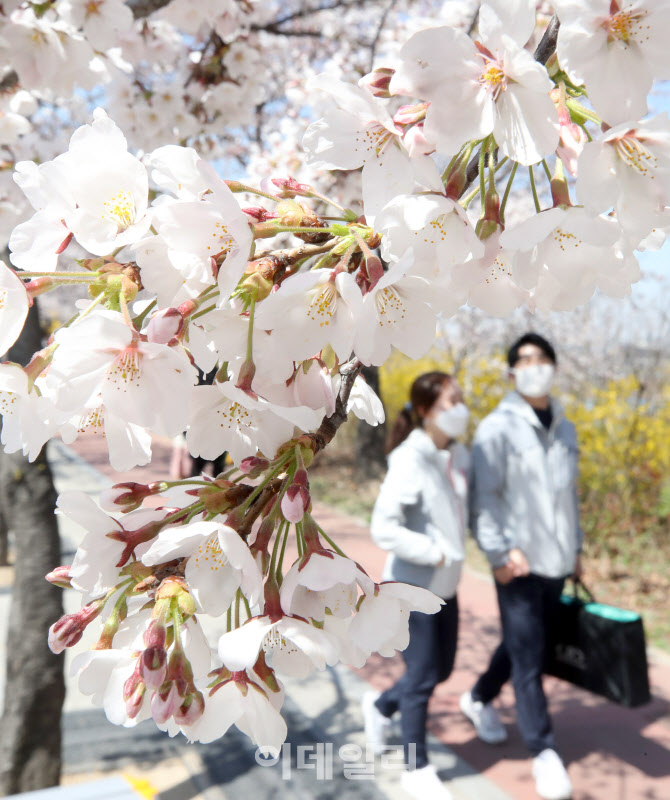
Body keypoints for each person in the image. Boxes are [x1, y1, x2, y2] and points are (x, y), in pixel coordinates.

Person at [461, 332, 582, 800]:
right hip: (518, 562)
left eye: (542, 358)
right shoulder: (497, 428)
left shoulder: (566, 427)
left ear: (553, 366)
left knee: (526, 643)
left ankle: (478, 697)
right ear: (512, 373)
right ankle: (543, 750)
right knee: (530, 657)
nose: (535, 366)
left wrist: (578, 549)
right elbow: (484, 499)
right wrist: (498, 553)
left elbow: (570, 496)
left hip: (558, 559)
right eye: (525, 360)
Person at [363, 371, 470, 800]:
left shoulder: (459, 455)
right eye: (450, 402)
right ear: (425, 410)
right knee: (424, 676)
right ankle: (416, 768)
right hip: (413, 585)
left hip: (447, 586)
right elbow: (383, 528)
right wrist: (433, 550)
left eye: (461, 399)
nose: (460, 409)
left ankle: (380, 705)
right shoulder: (411, 457)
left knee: (440, 671)